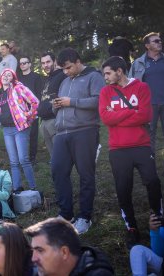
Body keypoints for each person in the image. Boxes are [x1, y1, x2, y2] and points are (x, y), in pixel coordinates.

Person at [99, 56, 162, 249]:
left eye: (108, 73)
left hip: (141, 145)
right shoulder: (105, 92)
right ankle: (132, 228)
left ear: (119, 71)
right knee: (123, 189)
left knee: (152, 181)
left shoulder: (141, 88)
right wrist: (131, 111)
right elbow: (106, 118)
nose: (106, 77)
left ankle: (157, 217)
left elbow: (146, 115)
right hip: (118, 149)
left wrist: (118, 115)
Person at [51, 48, 104, 234]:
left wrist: (71, 101)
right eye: (63, 69)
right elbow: (60, 105)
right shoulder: (65, 81)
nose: (66, 72)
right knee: (58, 172)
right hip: (61, 133)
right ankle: (66, 214)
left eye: (68, 67)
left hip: (85, 131)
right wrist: (56, 106)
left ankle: (84, 217)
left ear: (78, 61)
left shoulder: (94, 76)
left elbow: (99, 101)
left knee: (86, 175)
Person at [0, 69, 39, 192]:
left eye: (9, 75)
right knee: (13, 162)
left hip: (20, 128)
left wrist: (29, 116)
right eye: (4, 74)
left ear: (13, 78)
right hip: (7, 130)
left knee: (23, 159)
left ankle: (33, 188)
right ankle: (17, 188)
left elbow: (35, 101)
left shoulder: (18, 88)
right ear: (1, 78)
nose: (6, 76)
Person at [25, 218, 114, 276]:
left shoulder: (97, 273)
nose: (33, 258)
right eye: (33, 251)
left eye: (40, 250)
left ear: (64, 252)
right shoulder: (46, 271)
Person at [129, 32, 164, 153]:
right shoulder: (138, 63)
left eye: (160, 40)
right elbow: (130, 84)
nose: (160, 43)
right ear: (147, 46)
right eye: (156, 41)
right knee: (149, 135)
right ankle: (150, 162)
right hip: (148, 104)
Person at [38, 52, 67, 158]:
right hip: (44, 123)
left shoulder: (62, 76)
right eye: (43, 63)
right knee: (53, 157)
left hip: (55, 121)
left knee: (61, 157)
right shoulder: (48, 78)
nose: (46, 65)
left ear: (54, 62)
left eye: (48, 62)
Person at [17, 56, 44, 165]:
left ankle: (32, 158)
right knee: (22, 135)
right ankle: (23, 157)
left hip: (33, 110)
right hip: (20, 111)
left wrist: (35, 109)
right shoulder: (17, 78)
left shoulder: (36, 77)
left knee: (33, 134)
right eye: (21, 63)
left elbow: (39, 94)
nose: (22, 65)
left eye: (25, 63)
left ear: (29, 64)